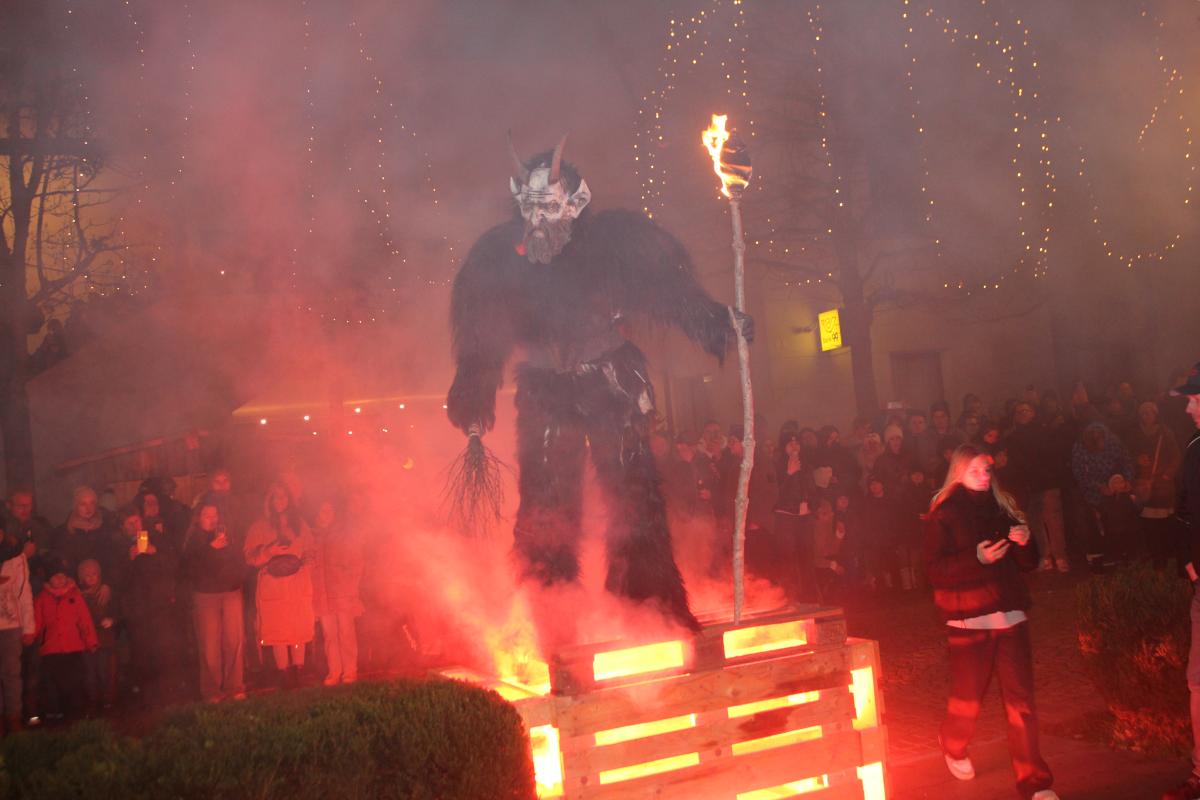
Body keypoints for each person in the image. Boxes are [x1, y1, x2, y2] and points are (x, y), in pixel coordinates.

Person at [444, 137, 751, 632]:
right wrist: (474, 388)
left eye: (549, 207)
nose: (538, 220)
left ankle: (649, 603)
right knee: (545, 503)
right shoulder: (498, 259)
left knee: (634, 494)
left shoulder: (616, 243)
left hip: (611, 381)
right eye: (530, 209)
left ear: (575, 201)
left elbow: (671, 293)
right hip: (545, 389)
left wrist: (718, 322)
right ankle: (552, 613)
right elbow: (483, 335)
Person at [924, 445, 1056, 800]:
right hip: (969, 620)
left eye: (987, 469)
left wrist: (1026, 542)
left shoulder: (1003, 508)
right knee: (968, 700)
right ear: (958, 473)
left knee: (1021, 703)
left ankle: (1035, 782)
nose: (984, 476)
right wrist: (976, 558)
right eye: (975, 470)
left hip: (1010, 615)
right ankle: (953, 743)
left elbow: (1027, 563)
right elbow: (934, 570)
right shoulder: (944, 514)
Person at [1163, 364, 1200, 800]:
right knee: (1198, 680)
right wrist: (1188, 561)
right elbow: (1186, 510)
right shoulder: (1194, 448)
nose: (1189, 408)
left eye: (1194, 399)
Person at [245, 484, 314, 688]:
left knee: (298, 627)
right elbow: (250, 557)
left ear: (289, 500)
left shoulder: (299, 524)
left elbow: (311, 548)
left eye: (284, 497)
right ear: (269, 500)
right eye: (276, 497)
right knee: (278, 630)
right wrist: (268, 552)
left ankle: (298, 671)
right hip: (273, 585)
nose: (280, 501)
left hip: (297, 583)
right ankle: (283, 673)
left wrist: (307, 561)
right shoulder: (259, 527)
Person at [115, 507, 181, 707]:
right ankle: (146, 699)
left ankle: (169, 696)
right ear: (122, 527)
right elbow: (117, 581)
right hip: (137, 612)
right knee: (142, 654)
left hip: (160, 607)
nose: (135, 526)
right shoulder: (118, 546)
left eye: (137, 521)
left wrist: (155, 552)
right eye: (130, 523)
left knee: (165, 651)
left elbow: (174, 565)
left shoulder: (157, 539)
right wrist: (129, 559)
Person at [182, 502, 246, 703]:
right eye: (207, 515)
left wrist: (237, 578)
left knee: (234, 641)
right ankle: (212, 690)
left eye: (215, 514)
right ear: (198, 518)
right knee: (210, 646)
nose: (212, 519)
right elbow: (190, 569)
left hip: (231, 592)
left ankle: (235, 686)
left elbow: (240, 560)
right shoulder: (193, 540)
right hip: (206, 596)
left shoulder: (228, 535)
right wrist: (211, 549)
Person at [34, 558, 98, 721]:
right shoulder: (42, 598)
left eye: (63, 576)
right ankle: (54, 714)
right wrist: (30, 637)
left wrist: (91, 641)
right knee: (53, 684)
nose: (60, 579)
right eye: (56, 576)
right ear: (49, 578)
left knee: (74, 682)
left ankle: (75, 713)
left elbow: (84, 620)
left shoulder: (74, 595)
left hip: (73, 648)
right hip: (51, 649)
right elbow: (36, 622)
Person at [310, 498, 363, 686]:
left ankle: (350, 671)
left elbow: (356, 563)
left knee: (346, 633)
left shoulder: (344, 535)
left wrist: (351, 587)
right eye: (322, 511)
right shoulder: (312, 536)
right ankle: (334, 671)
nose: (325, 515)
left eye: (329, 511)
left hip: (342, 593)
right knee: (329, 635)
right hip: (322, 594)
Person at [0, 531, 35, 734]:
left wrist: (28, 627)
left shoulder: (16, 557)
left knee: (11, 674)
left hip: (11, 624)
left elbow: (23, 592)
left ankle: (13, 717)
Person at [76, 559, 117, 712]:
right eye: (87, 575)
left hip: (104, 640)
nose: (92, 578)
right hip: (87, 641)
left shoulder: (106, 593)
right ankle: (93, 701)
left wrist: (112, 620)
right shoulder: (79, 596)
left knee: (103, 671)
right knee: (89, 673)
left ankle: (107, 700)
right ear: (82, 578)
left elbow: (116, 610)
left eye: (94, 574)